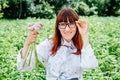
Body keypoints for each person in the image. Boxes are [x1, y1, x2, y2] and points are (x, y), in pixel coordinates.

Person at [17, 8, 98, 80]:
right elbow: (23, 67)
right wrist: (27, 43)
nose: (67, 29)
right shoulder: (49, 44)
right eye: (62, 24)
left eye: (71, 24)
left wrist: (84, 35)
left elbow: (90, 65)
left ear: (77, 25)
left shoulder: (81, 45)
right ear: (58, 27)